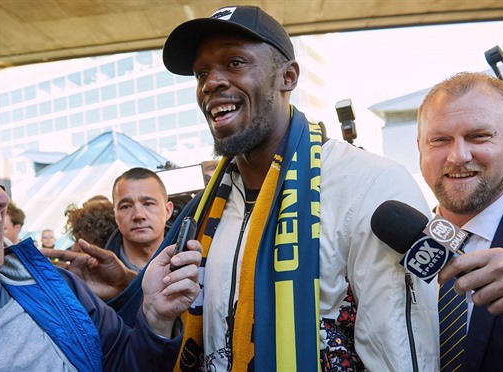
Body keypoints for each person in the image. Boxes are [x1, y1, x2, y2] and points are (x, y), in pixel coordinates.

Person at [156, 5, 438, 371]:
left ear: (287, 76)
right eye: (202, 73)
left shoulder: (371, 184)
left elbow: (401, 357)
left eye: (235, 63)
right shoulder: (204, 210)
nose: (211, 83)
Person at [417, 71, 503, 371]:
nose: (458, 156)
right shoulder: (391, 245)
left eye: (479, 136)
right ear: (420, 147)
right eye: (440, 140)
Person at [0, 183, 202, 370]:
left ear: (167, 210)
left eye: (148, 203)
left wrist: (155, 317)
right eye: (126, 206)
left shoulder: (56, 286)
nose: (1, 197)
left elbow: (125, 363)